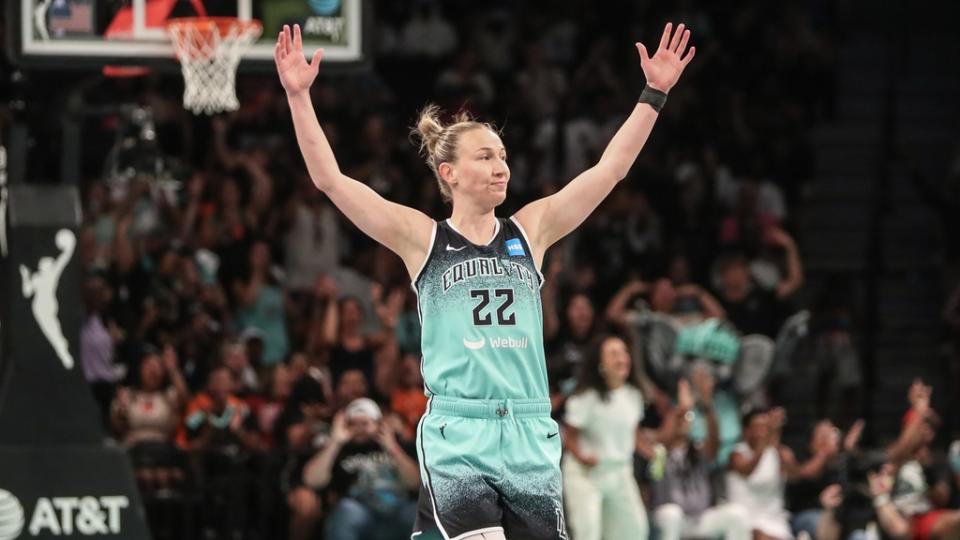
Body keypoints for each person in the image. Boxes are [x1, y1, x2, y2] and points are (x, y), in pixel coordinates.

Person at [275, 20, 695, 540]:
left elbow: (610, 170)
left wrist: (653, 95)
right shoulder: (422, 239)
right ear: (448, 174)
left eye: (503, 156)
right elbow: (331, 181)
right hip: (461, 430)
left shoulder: (531, 229)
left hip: (529, 429)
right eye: (485, 156)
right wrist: (299, 96)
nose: (501, 167)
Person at [561, 334, 650, 540]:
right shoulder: (585, 397)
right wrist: (582, 456)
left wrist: (651, 451)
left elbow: (634, 434)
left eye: (624, 352)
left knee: (635, 531)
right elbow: (570, 435)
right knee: (588, 533)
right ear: (600, 364)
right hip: (585, 476)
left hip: (620, 473)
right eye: (613, 353)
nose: (621, 358)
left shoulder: (633, 395)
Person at [651, 368, 751, 540]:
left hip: (700, 518)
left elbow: (715, 441)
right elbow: (657, 461)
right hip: (669, 517)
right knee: (671, 514)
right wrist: (680, 410)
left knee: (737, 514)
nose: (684, 420)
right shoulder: (659, 451)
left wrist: (707, 405)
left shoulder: (697, 450)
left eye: (688, 416)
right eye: (680, 417)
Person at [302, 398, 420, 540]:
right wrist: (335, 442)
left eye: (365, 423)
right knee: (346, 510)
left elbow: (415, 483)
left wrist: (392, 447)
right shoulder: (340, 450)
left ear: (378, 424)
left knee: (416, 512)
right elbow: (312, 480)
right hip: (359, 512)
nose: (359, 428)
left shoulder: (397, 445)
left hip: (397, 511)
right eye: (354, 424)